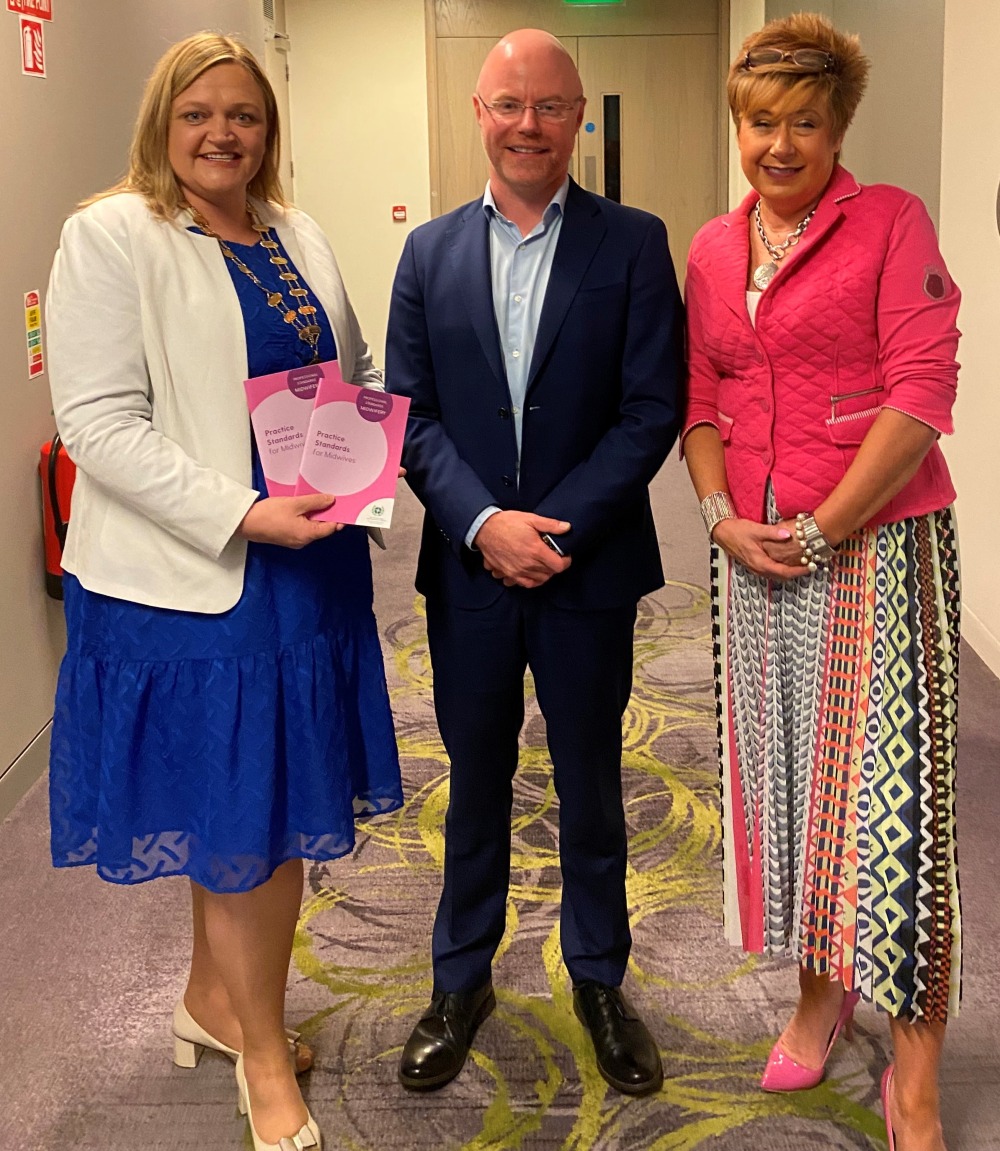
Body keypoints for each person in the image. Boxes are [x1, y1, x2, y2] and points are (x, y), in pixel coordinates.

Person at [46, 33, 403, 1151]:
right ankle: (259, 1049)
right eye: (198, 112)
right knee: (243, 817)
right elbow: (95, 424)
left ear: (268, 130)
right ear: (162, 120)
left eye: (242, 114)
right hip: (196, 573)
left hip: (310, 561)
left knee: (266, 809)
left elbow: (343, 372)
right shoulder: (110, 233)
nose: (221, 133)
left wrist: (362, 463)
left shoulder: (295, 230)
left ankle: (213, 1003)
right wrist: (239, 511)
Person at [385, 28, 683, 1097]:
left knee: (591, 777)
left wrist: (547, 527)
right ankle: (459, 978)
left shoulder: (633, 242)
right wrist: (481, 524)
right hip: (468, 572)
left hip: (585, 565)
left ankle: (599, 977)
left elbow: (654, 408)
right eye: (509, 104)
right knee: (476, 776)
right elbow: (410, 418)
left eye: (551, 106)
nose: (528, 125)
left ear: (579, 119)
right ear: (479, 110)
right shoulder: (426, 254)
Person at [682, 14, 961, 1151]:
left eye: (804, 122)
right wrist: (723, 522)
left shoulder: (888, 220)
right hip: (753, 555)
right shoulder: (710, 246)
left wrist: (824, 525)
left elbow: (922, 389)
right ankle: (816, 987)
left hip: (877, 548)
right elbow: (700, 395)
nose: (780, 143)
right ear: (737, 125)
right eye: (762, 122)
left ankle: (917, 1059)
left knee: (897, 809)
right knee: (792, 788)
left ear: (839, 126)